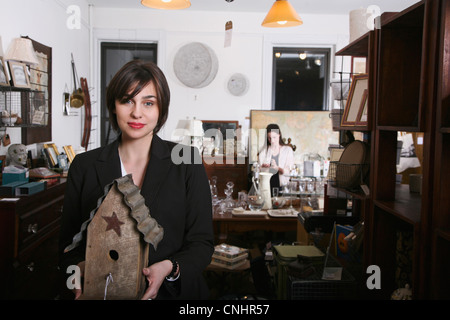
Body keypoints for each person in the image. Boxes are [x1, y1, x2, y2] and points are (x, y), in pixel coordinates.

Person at [58, 60, 214, 300]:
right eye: (127, 100)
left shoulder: (187, 161)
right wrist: (77, 271)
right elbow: (67, 248)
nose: (137, 113)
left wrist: (169, 268)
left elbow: (201, 243)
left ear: (161, 109)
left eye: (148, 103)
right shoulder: (84, 166)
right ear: (113, 106)